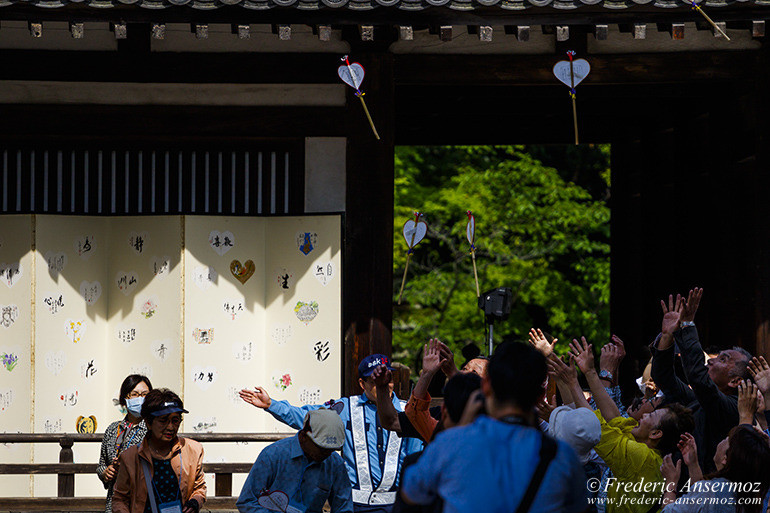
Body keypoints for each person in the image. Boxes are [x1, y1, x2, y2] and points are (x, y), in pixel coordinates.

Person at [400, 342, 587, 513]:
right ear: (540, 396)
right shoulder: (562, 457)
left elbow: (411, 493)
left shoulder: (450, 444)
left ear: (486, 386)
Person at [240, 354, 424, 513]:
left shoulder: (407, 411)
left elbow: (415, 456)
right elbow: (309, 418)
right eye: (375, 381)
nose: (384, 385)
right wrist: (272, 405)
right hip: (356, 503)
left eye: (388, 379)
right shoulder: (345, 408)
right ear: (362, 383)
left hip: (396, 503)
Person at [565, 336, 694, 513]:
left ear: (655, 434)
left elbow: (596, 427)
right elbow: (614, 419)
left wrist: (575, 380)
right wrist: (590, 373)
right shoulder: (644, 445)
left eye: (652, 414)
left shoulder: (641, 457)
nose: (645, 415)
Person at [652, 289, 752, 471]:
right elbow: (663, 378)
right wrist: (667, 336)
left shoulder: (733, 408)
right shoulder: (697, 400)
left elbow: (699, 379)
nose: (711, 360)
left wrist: (688, 325)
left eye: (723, 359)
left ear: (735, 381)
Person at [237, 409, 354, 513]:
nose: (327, 454)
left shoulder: (335, 463)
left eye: (331, 450)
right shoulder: (273, 455)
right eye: (321, 448)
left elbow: (343, 507)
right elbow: (247, 501)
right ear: (303, 436)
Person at [112, 388, 206, 513]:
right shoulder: (130, 457)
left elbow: (199, 487)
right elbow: (119, 498)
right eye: (163, 421)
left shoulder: (193, 450)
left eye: (175, 420)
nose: (171, 427)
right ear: (149, 423)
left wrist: (195, 502)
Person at [660, 423, 770, 513]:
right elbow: (702, 505)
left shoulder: (709, 491)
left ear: (726, 458)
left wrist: (671, 482)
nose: (722, 440)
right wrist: (693, 464)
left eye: (727, 439)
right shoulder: (755, 497)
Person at [97, 374, 152, 513]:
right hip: (115, 501)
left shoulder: (154, 429)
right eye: (135, 394)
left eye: (145, 394)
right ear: (125, 399)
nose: (140, 398)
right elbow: (101, 464)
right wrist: (105, 472)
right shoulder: (112, 429)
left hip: (145, 501)